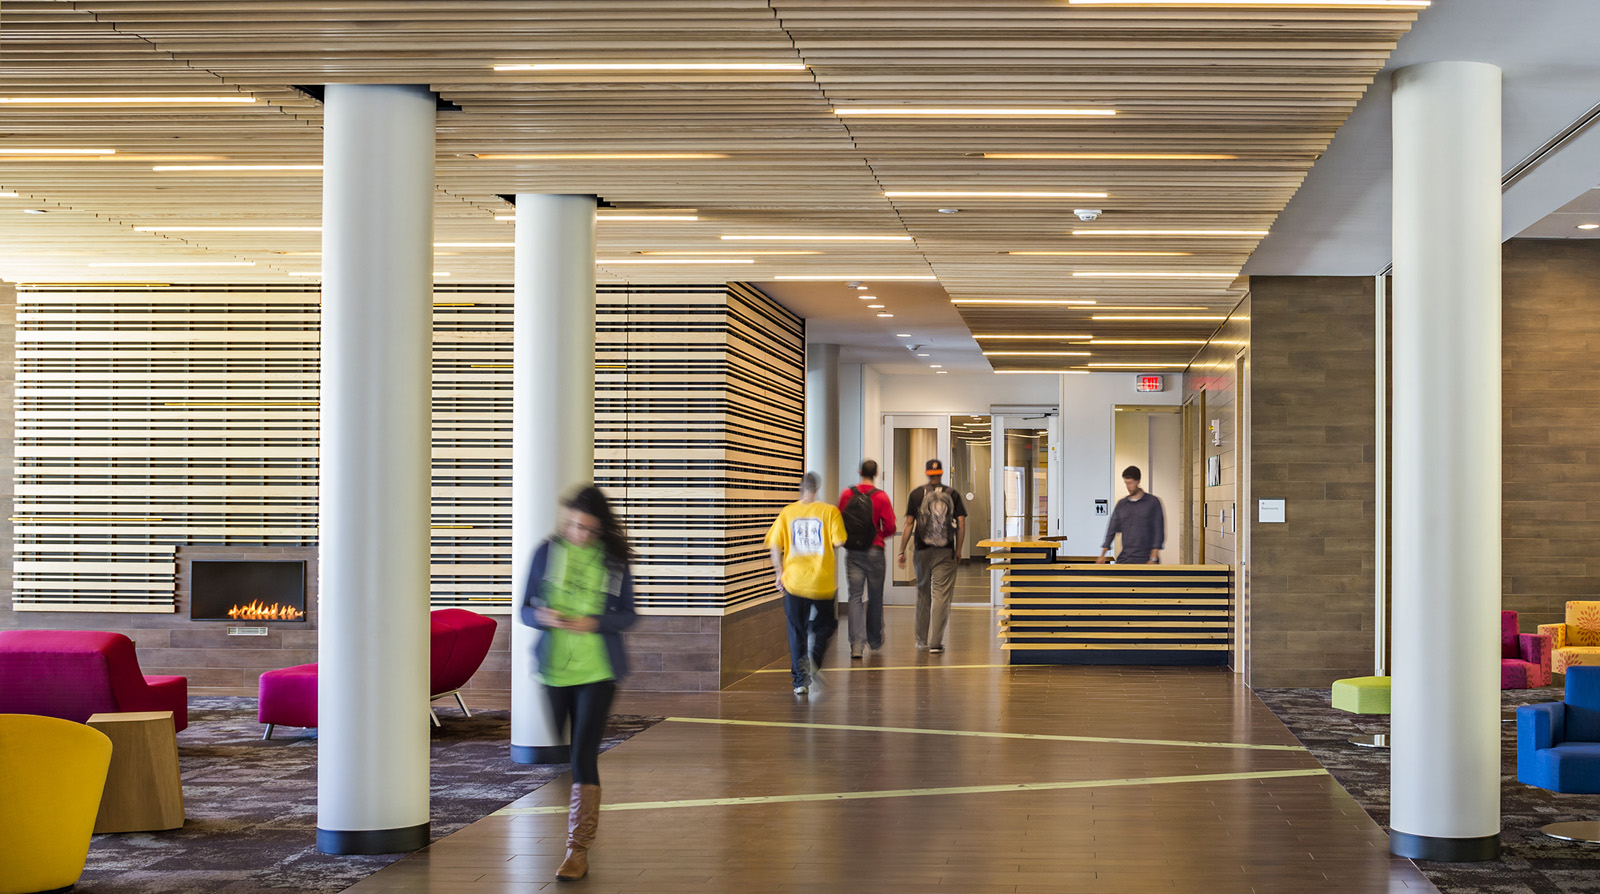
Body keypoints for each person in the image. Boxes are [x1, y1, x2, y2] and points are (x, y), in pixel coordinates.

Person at [520, 485, 638, 882]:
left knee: (582, 755)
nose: (579, 534)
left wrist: (596, 623)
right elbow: (524, 608)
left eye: (587, 528)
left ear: (600, 528)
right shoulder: (546, 552)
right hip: (553, 670)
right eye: (572, 525)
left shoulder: (613, 561)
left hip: (598, 670)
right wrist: (544, 617)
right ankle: (577, 837)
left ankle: (577, 850)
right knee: (564, 747)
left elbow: (627, 616)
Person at [767, 471, 848, 695]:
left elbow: (775, 546)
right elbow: (840, 541)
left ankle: (800, 682)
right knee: (827, 625)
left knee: (796, 630)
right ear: (816, 489)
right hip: (821, 583)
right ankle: (815, 659)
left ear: (801, 489)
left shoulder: (787, 513)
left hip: (793, 581)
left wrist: (779, 573)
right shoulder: (829, 511)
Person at [897, 458, 967, 655]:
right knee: (941, 596)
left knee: (922, 594)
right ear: (942, 473)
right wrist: (959, 549)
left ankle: (921, 640)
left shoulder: (916, 494)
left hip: (921, 551)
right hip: (946, 552)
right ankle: (936, 643)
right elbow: (961, 524)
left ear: (927, 473)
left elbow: (909, 525)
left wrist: (901, 550)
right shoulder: (952, 494)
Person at [837, 459, 897, 659]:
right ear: (876, 474)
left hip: (853, 552)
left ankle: (856, 644)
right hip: (875, 551)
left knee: (855, 596)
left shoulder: (847, 494)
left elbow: (838, 520)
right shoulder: (881, 497)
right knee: (875, 595)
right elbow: (890, 527)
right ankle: (874, 639)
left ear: (859, 471)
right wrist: (878, 534)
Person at [1096, 465, 1165, 565]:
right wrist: (1102, 555)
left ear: (1138, 481)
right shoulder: (1122, 504)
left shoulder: (1152, 502)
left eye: (1131, 483)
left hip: (1146, 557)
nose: (1128, 487)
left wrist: (1153, 558)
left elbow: (1158, 531)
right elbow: (1111, 529)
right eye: (1126, 483)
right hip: (1126, 556)